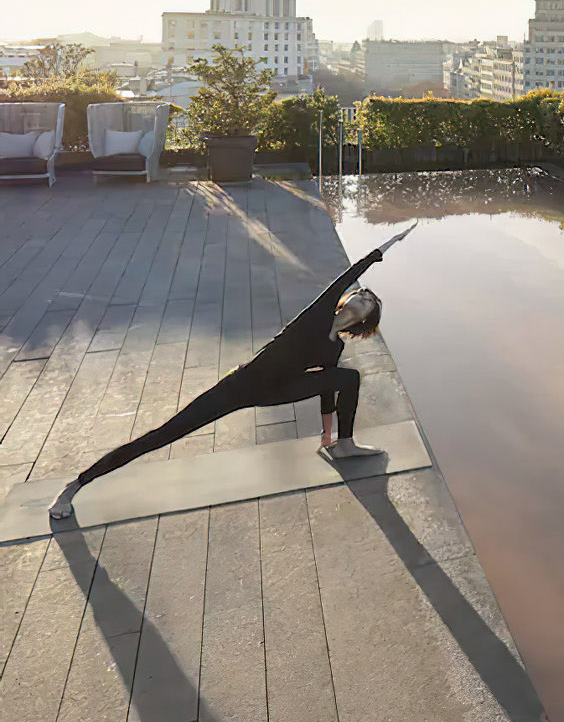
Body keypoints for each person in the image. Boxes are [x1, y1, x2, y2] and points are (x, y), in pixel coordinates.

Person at [48, 223, 418, 525]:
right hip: (242, 385)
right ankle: (75, 485)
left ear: (366, 318)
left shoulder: (334, 346)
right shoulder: (319, 311)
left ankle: (344, 444)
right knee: (164, 433)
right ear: (347, 299)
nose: (360, 299)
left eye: (367, 302)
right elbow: (350, 273)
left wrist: (326, 435)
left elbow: (327, 387)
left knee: (347, 379)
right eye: (360, 295)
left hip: (280, 389)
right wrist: (389, 244)